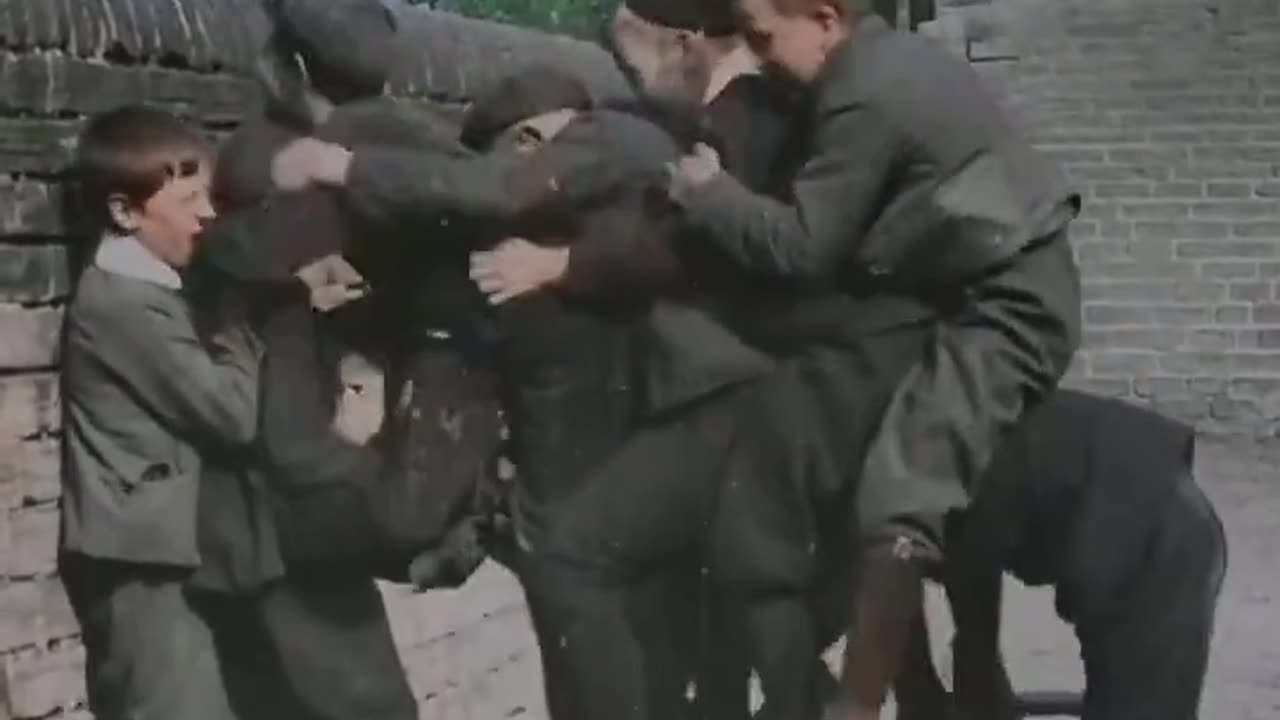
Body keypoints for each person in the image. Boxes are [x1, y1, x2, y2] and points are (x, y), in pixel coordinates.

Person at [659, 1, 1082, 717]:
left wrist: (710, 194)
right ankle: (942, 686)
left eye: (765, 37)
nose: (759, 57)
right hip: (960, 283)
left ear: (824, 17)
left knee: (899, 493)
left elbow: (802, 247)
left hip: (1005, 305)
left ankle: (856, 709)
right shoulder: (883, 61)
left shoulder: (862, 93)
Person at [57, 104, 257, 720]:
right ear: (124, 212)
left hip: (157, 554)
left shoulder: (147, 289)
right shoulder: (124, 304)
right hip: (139, 565)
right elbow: (231, 412)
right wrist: (238, 320)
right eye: (189, 200)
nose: (208, 216)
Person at [893, 389, 1227, 720]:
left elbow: (964, 561)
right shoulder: (902, 450)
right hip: (1135, 517)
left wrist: (974, 672)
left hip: (1156, 532)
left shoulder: (918, 458)